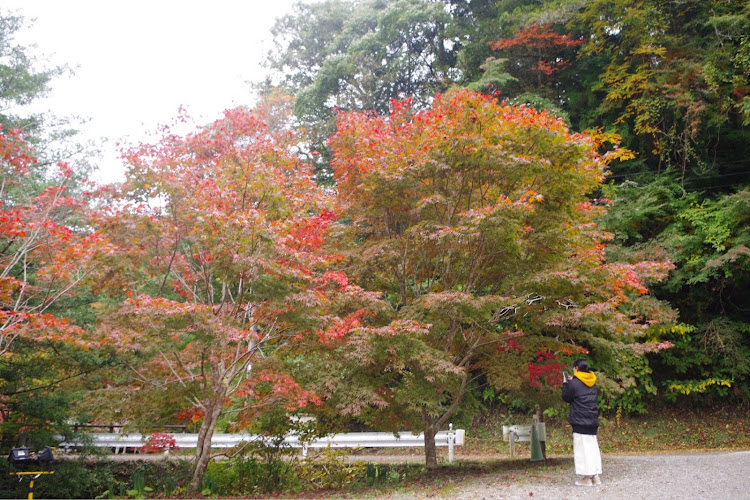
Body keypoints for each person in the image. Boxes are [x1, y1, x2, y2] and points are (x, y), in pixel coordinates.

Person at [562, 359, 602, 486]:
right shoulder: (592, 382)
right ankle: (595, 475)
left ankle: (586, 478)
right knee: (592, 447)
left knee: (582, 450)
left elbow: (566, 397)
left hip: (580, 420)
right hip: (592, 419)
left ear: (576, 368)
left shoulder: (574, 383)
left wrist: (565, 383)